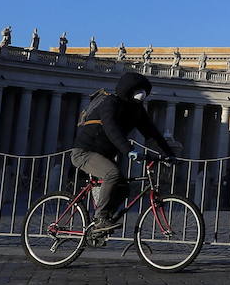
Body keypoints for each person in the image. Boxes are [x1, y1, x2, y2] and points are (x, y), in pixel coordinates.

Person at [69, 71, 176, 233]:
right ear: (128, 90)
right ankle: (100, 219)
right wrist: (129, 150)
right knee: (112, 173)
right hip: (84, 151)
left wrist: (168, 153)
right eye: (138, 90)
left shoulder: (136, 110)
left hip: (104, 154)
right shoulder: (110, 102)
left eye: (144, 91)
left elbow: (152, 133)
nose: (142, 94)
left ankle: (104, 222)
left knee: (124, 187)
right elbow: (111, 129)